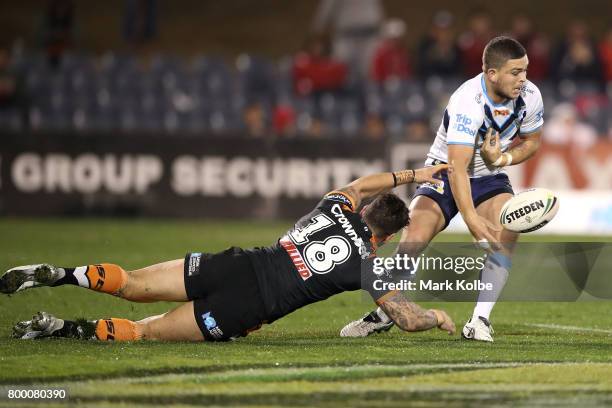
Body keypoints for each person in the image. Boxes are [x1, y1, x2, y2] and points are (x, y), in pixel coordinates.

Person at [1, 166, 455, 342]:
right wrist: (436, 316)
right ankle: (58, 328)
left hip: (238, 263)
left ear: (367, 208)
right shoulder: (371, 268)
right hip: (247, 306)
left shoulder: (334, 205)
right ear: (391, 236)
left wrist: (412, 173)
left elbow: (360, 184)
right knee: (146, 332)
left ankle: (59, 274)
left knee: (134, 283)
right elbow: (406, 318)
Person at [341, 36, 544, 342]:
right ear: (491, 74)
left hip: (488, 176)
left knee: (507, 229)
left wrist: (503, 157)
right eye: (515, 72)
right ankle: (385, 314)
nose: (523, 79)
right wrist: (472, 221)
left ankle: (479, 321)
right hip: (444, 172)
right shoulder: (467, 102)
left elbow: (532, 142)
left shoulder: (530, 96)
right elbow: (457, 170)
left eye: (525, 70)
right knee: (414, 238)